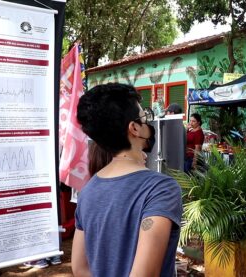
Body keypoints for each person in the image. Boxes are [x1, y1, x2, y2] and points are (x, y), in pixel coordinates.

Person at [72, 83, 183, 277]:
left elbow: (80, 268)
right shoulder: (161, 189)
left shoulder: (88, 191)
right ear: (134, 128)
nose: (148, 122)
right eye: (144, 117)